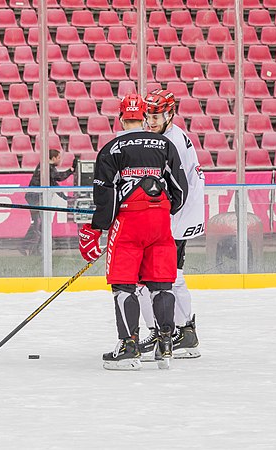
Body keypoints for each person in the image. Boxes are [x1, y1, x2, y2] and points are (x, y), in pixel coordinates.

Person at [78, 94, 188, 371]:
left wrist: (98, 225)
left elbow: (106, 195)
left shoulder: (113, 148)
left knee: (124, 285)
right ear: (144, 117)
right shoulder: (165, 144)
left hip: (128, 226)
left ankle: (128, 347)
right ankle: (165, 346)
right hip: (161, 224)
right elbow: (180, 190)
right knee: (161, 284)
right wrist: (161, 209)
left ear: (121, 118)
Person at [136, 89, 205, 360]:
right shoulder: (164, 136)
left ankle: (185, 332)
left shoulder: (173, 141)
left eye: (157, 116)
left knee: (170, 274)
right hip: (180, 212)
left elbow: (180, 189)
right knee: (164, 273)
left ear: (170, 114)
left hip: (181, 214)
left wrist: (163, 216)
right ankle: (169, 329)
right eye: (148, 116)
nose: (151, 122)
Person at [22, 149, 75, 255]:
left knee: (39, 222)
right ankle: (28, 246)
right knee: (38, 222)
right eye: (59, 158)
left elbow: (54, 184)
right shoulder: (47, 167)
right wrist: (71, 169)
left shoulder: (47, 168)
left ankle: (33, 247)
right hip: (35, 197)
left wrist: (65, 197)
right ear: (54, 158)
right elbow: (59, 178)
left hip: (34, 196)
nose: (60, 160)